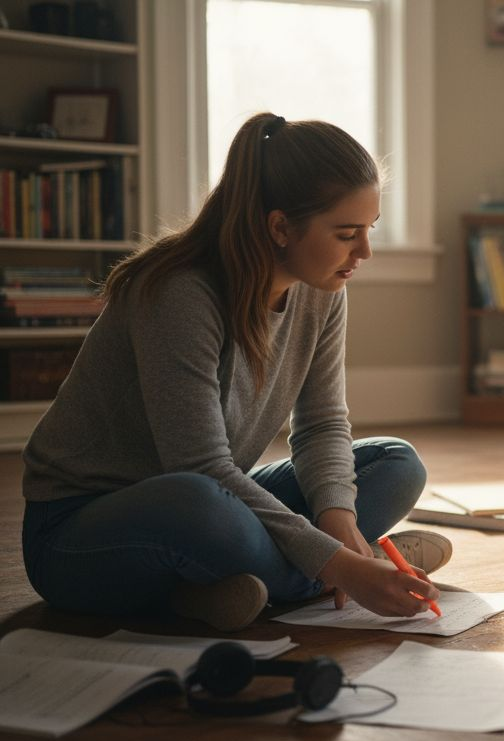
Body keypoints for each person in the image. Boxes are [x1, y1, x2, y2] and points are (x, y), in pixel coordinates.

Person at [21, 113, 452, 632]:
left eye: (369, 230)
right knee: (200, 503)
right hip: (78, 531)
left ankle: (207, 594)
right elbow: (200, 468)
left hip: (218, 498)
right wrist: (342, 564)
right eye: (346, 234)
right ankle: (341, 571)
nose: (364, 252)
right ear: (279, 227)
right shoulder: (180, 292)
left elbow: (321, 425)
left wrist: (337, 522)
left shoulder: (323, 289)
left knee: (394, 462)